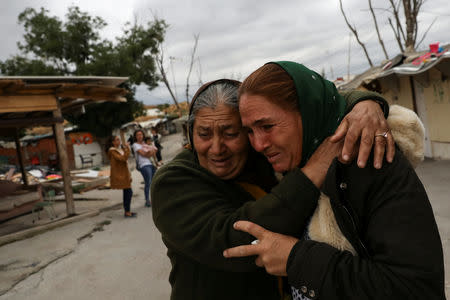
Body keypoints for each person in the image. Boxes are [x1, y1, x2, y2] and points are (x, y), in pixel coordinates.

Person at [151, 77, 403, 300]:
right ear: (190, 134)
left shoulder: (262, 156)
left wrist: (364, 105)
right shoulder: (173, 181)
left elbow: (315, 102)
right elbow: (232, 239)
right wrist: (312, 172)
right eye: (204, 134)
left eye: (230, 133)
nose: (217, 148)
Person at [223, 62, 445, 299]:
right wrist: (365, 101)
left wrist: (297, 259)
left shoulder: (372, 164)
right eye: (249, 131)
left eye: (267, 126)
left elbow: (417, 289)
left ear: (309, 112)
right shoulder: (288, 167)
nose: (258, 144)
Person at [106, 136, 136, 218]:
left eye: (119, 139)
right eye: (117, 140)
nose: (119, 141)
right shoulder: (112, 151)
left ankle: (127, 211)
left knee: (127, 192)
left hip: (125, 173)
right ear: (113, 142)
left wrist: (125, 149)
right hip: (120, 174)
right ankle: (127, 211)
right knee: (129, 192)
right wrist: (127, 148)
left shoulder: (119, 149)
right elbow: (123, 158)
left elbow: (125, 159)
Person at [132, 129, 156, 207]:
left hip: (151, 163)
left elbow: (153, 152)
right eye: (138, 135)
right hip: (143, 165)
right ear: (135, 136)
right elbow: (144, 154)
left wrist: (150, 152)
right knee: (148, 183)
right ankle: (147, 201)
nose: (140, 136)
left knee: (153, 182)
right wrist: (150, 152)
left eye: (141, 134)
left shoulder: (144, 143)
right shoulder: (135, 145)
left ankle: (154, 199)